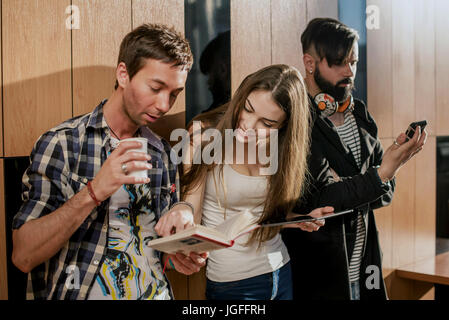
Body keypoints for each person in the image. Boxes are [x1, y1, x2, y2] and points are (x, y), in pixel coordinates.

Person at [11, 23, 206, 300]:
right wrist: (95, 191)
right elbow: (23, 256)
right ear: (123, 74)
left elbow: (151, 248)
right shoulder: (63, 144)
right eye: (155, 87)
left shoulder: (160, 152)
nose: (164, 105)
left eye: (174, 93)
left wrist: (179, 255)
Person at [157, 64, 334, 300]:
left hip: (279, 269)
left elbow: (256, 214)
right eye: (248, 109)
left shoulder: (280, 147)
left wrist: (296, 220)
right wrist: (182, 217)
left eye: (267, 123)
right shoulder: (203, 136)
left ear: (284, 126)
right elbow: (192, 207)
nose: (249, 125)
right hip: (232, 283)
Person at [282, 18, 427, 300]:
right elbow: (319, 200)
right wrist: (380, 174)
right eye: (339, 62)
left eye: (354, 61)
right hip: (319, 271)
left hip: (364, 265)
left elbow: (383, 196)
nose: (350, 71)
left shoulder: (359, 114)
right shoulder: (297, 119)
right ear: (310, 63)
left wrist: (384, 172)